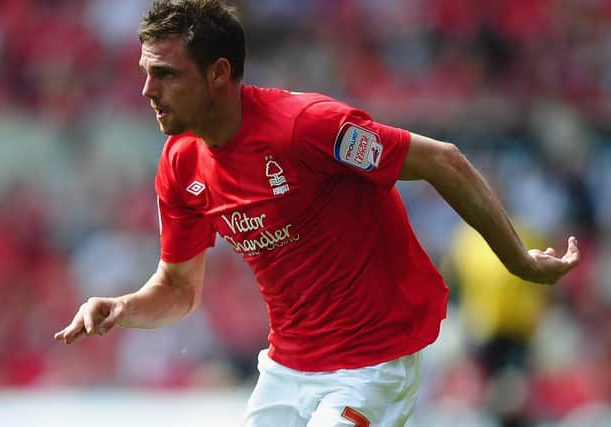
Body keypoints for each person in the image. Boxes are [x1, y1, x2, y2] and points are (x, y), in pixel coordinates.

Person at [54, 1, 580, 426]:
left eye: (166, 75)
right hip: (286, 371)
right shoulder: (180, 163)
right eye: (147, 74)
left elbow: (442, 160)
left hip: (372, 367)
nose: (148, 91)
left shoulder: (307, 128)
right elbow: (178, 290)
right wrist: (124, 308)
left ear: (219, 74)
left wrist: (518, 261)